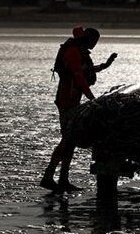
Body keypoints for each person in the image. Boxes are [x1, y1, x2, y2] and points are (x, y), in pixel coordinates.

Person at [40, 27, 116, 192]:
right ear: (87, 38)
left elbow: (85, 70)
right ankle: (48, 176)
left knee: (71, 139)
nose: (95, 44)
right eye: (94, 40)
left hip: (74, 100)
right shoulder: (73, 51)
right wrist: (91, 97)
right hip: (66, 100)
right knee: (68, 138)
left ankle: (63, 179)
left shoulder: (79, 51)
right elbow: (78, 75)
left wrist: (104, 66)